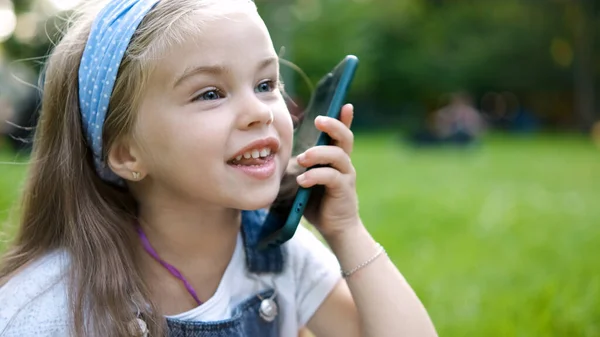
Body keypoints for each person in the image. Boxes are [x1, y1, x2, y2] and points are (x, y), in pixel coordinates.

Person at [0, 0, 437, 336]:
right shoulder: (44, 306)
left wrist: (347, 231)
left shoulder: (280, 255)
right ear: (128, 154)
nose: (260, 112)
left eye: (266, 84)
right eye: (210, 93)